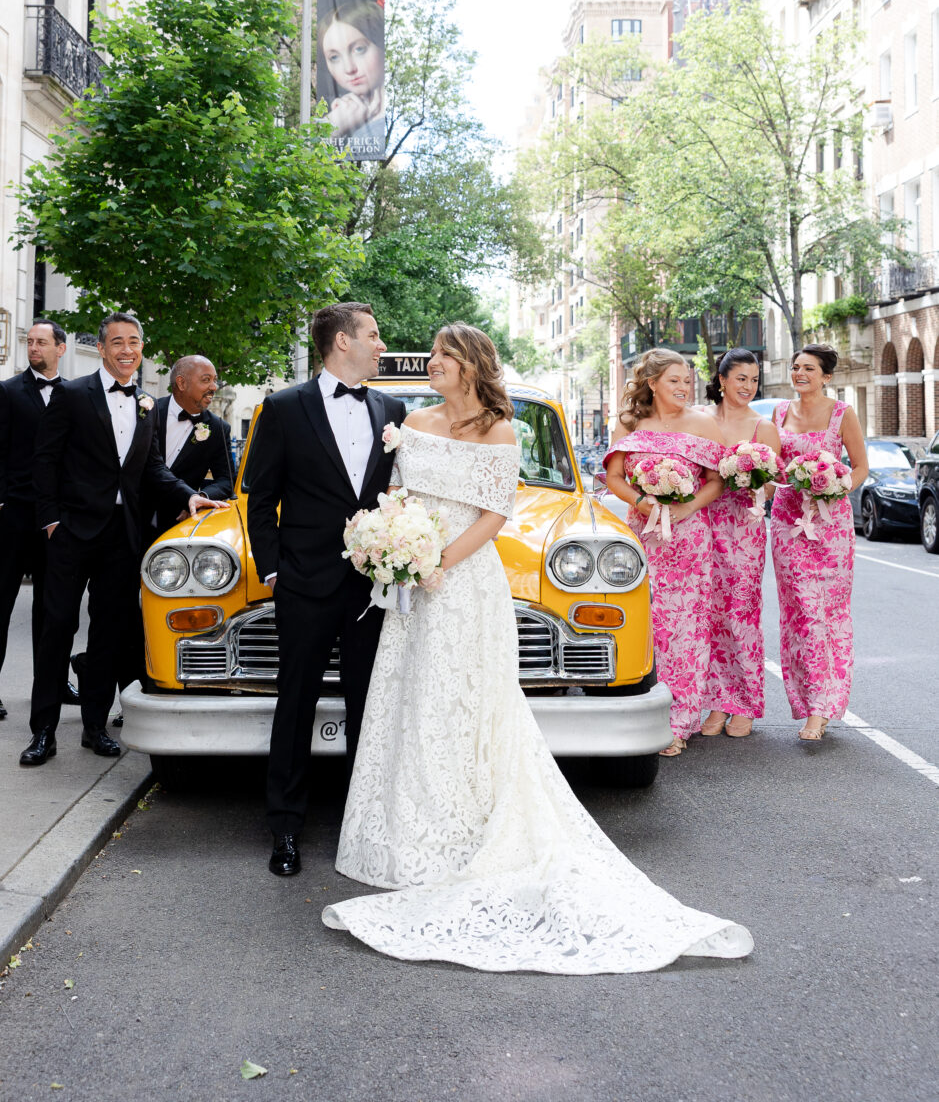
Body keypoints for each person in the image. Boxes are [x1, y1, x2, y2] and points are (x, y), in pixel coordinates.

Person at [323, 325, 753, 974]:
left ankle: (471, 837)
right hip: (410, 586)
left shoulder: (502, 431)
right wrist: (393, 544)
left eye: (441, 355)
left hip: (465, 584)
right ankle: (413, 839)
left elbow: (494, 514)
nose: (431, 363)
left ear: (469, 364)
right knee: (416, 704)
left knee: (469, 705)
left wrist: (437, 560)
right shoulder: (411, 420)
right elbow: (397, 497)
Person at [245, 302, 405, 878]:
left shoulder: (393, 408)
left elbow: (397, 493)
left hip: (372, 586)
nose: (380, 344)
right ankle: (285, 827)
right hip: (303, 581)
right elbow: (259, 499)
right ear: (342, 342)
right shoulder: (284, 407)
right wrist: (273, 569)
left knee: (370, 703)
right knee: (296, 701)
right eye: (374, 334)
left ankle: (362, 825)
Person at [21, 312, 223, 767]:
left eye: (134, 342)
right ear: (102, 346)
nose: (127, 350)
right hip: (71, 531)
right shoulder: (72, 394)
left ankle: (95, 727)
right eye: (117, 342)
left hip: (122, 535)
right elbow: (45, 460)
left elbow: (152, 468)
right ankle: (43, 732)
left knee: (109, 633)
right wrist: (51, 521)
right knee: (56, 629)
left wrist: (191, 497)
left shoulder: (147, 404)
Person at [602, 349, 724, 756]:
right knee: (649, 624)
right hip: (644, 537)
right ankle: (641, 715)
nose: (683, 387)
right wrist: (642, 502)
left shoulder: (703, 423)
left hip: (689, 539)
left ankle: (680, 723)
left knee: (687, 628)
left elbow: (715, 481)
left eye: (687, 380)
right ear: (652, 384)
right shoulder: (630, 423)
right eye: (673, 380)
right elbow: (614, 477)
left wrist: (686, 507)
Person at [0, 319, 77, 721]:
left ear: (60, 349)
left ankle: (51, 682)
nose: (34, 347)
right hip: (15, 514)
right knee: (0, 601)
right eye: (30, 342)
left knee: (52, 608)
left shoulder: (74, 394)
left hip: (56, 520)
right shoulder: (9, 390)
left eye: (42, 342)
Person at [770, 344, 867, 742]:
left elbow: (860, 467)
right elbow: (774, 466)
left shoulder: (843, 414)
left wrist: (835, 487)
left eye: (808, 368)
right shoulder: (778, 414)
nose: (799, 373)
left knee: (827, 613)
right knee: (799, 614)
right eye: (795, 367)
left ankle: (823, 707)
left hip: (830, 528)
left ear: (826, 375)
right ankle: (808, 701)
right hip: (787, 523)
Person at [700, 348, 781, 740]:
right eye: (741, 378)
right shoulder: (700, 420)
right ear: (722, 380)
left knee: (740, 614)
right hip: (701, 524)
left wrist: (747, 477)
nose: (748, 386)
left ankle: (744, 702)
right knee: (708, 615)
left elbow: (772, 482)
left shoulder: (762, 426)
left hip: (744, 527)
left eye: (753, 379)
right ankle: (716, 701)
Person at [147, 355, 235, 538]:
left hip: (179, 524)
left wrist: (199, 498)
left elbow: (227, 481)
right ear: (181, 383)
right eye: (206, 380)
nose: (214, 387)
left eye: (214, 380)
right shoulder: (148, 412)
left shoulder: (218, 428)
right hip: (132, 518)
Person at [315, 1, 385, 156]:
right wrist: (332, 125)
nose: (349, 69)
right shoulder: (343, 113)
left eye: (359, 49)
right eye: (334, 57)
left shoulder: (385, 126)